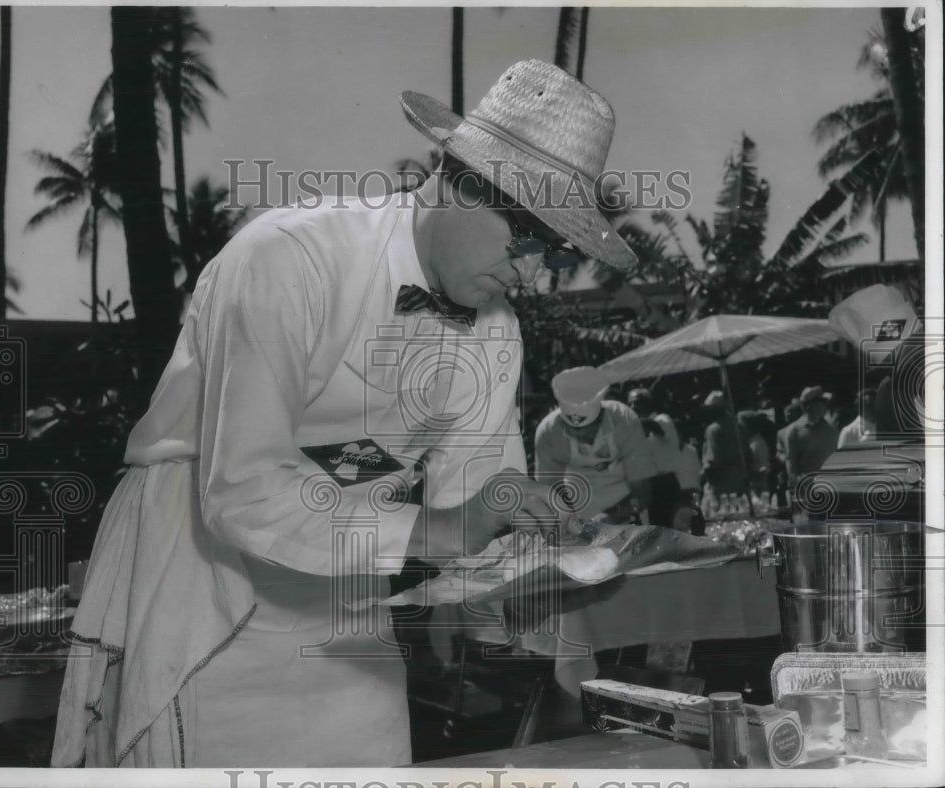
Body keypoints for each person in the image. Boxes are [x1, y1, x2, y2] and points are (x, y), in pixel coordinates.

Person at [52, 59, 637, 767]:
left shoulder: (494, 328)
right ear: (460, 181)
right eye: (531, 243)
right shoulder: (286, 259)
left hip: (349, 597)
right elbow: (242, 490)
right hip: (201, 579)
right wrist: (445, 526)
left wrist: (532, 541)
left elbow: (471, 507)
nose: (535, 276)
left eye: (558, 254)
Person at [534, 367, 656, 524]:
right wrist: (573, 522)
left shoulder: (624, 420)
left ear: (602, 416)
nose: (581, 437)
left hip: (626, 512)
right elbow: (549, 492)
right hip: (575, 514)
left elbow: (642, 490)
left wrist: (611, 517)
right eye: (573, 431)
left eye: (587, 431)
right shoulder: (548, 432)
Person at [627, 387, 684, 527]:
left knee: (667, 529)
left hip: (665, 483)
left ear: (649, 403)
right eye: (631, 404)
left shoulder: (662, 419)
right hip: (647, 485)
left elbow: (652, 425)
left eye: (638, 402)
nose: (633, 407)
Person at [786, 386, 839, 503]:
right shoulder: (795, 430)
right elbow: (791, 460)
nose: (825, 406)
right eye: (821, 402)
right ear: (809, 406)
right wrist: (793, 485)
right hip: (808, 489)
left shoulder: (831, 428)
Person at [701, 390, 747, 505]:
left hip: (721, 482)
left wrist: (704, 474)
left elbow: (713, 459)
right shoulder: (738, 426)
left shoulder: (713, 429)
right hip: (739, 478)